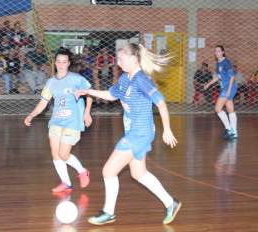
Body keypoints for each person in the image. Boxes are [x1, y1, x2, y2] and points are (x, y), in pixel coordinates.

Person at [76, 43, 181, 225]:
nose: (118, 62)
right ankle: (170, 203)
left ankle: (108, 212)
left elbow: (161, 103)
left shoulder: (142, 79)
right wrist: (88, 91)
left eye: (121, 59)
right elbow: (111, 94)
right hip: (134, 131)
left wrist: (168, 129)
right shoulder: (126, 78)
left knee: (108, 171)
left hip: (140, 133)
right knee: (139, 174)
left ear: (133, 59)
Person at [24, 47, 92, 193]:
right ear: (55, 63)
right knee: (55, 154)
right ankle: (66, 183)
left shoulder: (76, 79)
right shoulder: (50, 82)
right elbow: (43, 102)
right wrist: (31, 115)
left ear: (68, 63)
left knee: (63, 154)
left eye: (64, 62)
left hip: (72, 122)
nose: (61, 64)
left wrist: (87, 113)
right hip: (56, 121)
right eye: (58, 61)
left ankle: (82, 171)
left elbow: (90, 94)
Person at [204, 45, 238, 139]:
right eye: (215, 51)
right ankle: (234, 132)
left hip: (229, 87)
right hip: (226, 88)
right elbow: (218, 77)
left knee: (218, 109)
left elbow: (232, 77)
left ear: (223, 52)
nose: (216, 53)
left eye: (218, 51)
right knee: (230, 110)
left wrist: (228, 90)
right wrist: (208, 84)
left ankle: (229, 129)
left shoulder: (226, 62)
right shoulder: (218, 63)